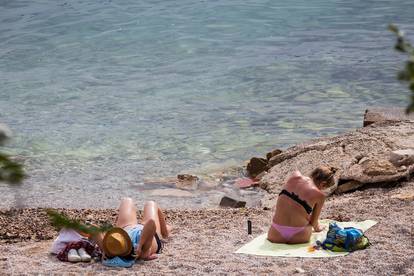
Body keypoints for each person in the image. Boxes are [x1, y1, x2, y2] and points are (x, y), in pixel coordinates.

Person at [267, 166, 336, 244]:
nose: (321, 190)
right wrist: (318, 228)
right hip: (299, 236)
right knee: (306, 217)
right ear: (323, 184)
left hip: (275, 234)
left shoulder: (295, 175)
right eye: (324, 188)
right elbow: (314, 223)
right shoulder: (320, 195)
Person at [92, 198, 171, 262]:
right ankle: (165, 232)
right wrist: (140, 245)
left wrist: (103, 249)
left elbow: (93, 228)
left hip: (126, 228)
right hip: (148, 231)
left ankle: (166, 229)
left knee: (127, 200)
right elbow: (151, 224)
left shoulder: (109, 251)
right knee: (151, 203)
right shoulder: (141, 253)